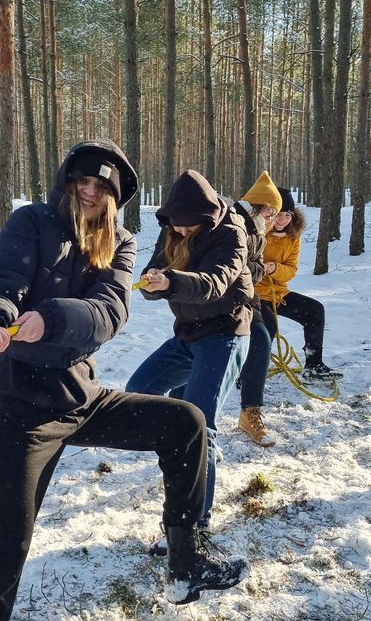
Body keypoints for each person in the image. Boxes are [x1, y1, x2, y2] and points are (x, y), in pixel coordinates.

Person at [0, 141, 247, 620]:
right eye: (81, 181)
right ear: (67, 181)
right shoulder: (30, 222)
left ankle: (185, 562)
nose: (88, 192)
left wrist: (49, 318)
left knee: (186, 423)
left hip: (79, 395)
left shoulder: (120, 242)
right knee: (8, 541)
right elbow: (3, 279)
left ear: (114, 195)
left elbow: (110, 311)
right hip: (24, 405)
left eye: (100, 186)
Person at [125, 169, 253, 532]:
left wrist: (171, 283)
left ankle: (194, 522)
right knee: (139, 393)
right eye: (174, 225)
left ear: (205, 216)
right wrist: (153, 281)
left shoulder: (231, 234)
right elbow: (155, 268)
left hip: (226, 334)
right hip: (187, 334)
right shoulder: (173, 229)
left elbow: (213, 283)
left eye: (186, 226)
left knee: (200, 429)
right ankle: (185, 452)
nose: (178, 232)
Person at [236, 181, 344, 444]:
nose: (282, 219)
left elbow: (291, 269)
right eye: (279, 214)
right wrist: (265, 268)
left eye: (287, 215)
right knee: (266, 331)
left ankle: (313, 364)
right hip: (256, 295)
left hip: (278, 292)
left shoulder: (293, 237)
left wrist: (276, 270)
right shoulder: (259, 232)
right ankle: (245, 373)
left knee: (314, 311)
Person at [233, 172, 285, 448]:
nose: (274, 221)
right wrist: (259, 270)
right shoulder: (237, 224)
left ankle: (249, 412)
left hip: (246, 297)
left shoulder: (254, 228)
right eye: (273, 213)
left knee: (262, 340)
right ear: (264, 209)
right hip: (226, 299)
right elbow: (238, 266)